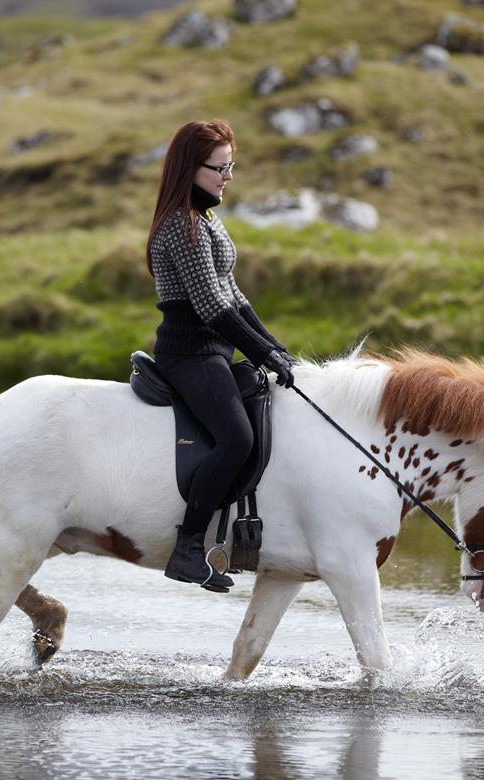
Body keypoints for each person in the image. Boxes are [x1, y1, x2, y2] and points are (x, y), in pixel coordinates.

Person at [146, 119, 296, 592]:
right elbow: (211, 308)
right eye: (220, 168)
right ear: (191, 168)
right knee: (236, 438)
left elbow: (235, 297)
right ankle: (188, 547)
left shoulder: (207, 216)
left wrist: (275, 349)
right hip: (189, 354)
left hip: (213, 350)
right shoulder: (181, 226)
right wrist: (264, 355)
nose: (228, 176)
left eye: (232, 166)